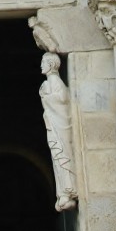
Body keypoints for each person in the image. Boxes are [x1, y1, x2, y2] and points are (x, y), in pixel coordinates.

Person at [39, 53, 78, 211]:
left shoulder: (55, 82)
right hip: (55, 126)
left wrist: (46, 96)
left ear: (51, 64)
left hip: (60, 127)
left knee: (62, 157)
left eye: (43, 63)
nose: (41, 66)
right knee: (58, 159)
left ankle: (68, 191)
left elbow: (62, 99)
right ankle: (62, 192)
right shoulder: (50, 83)